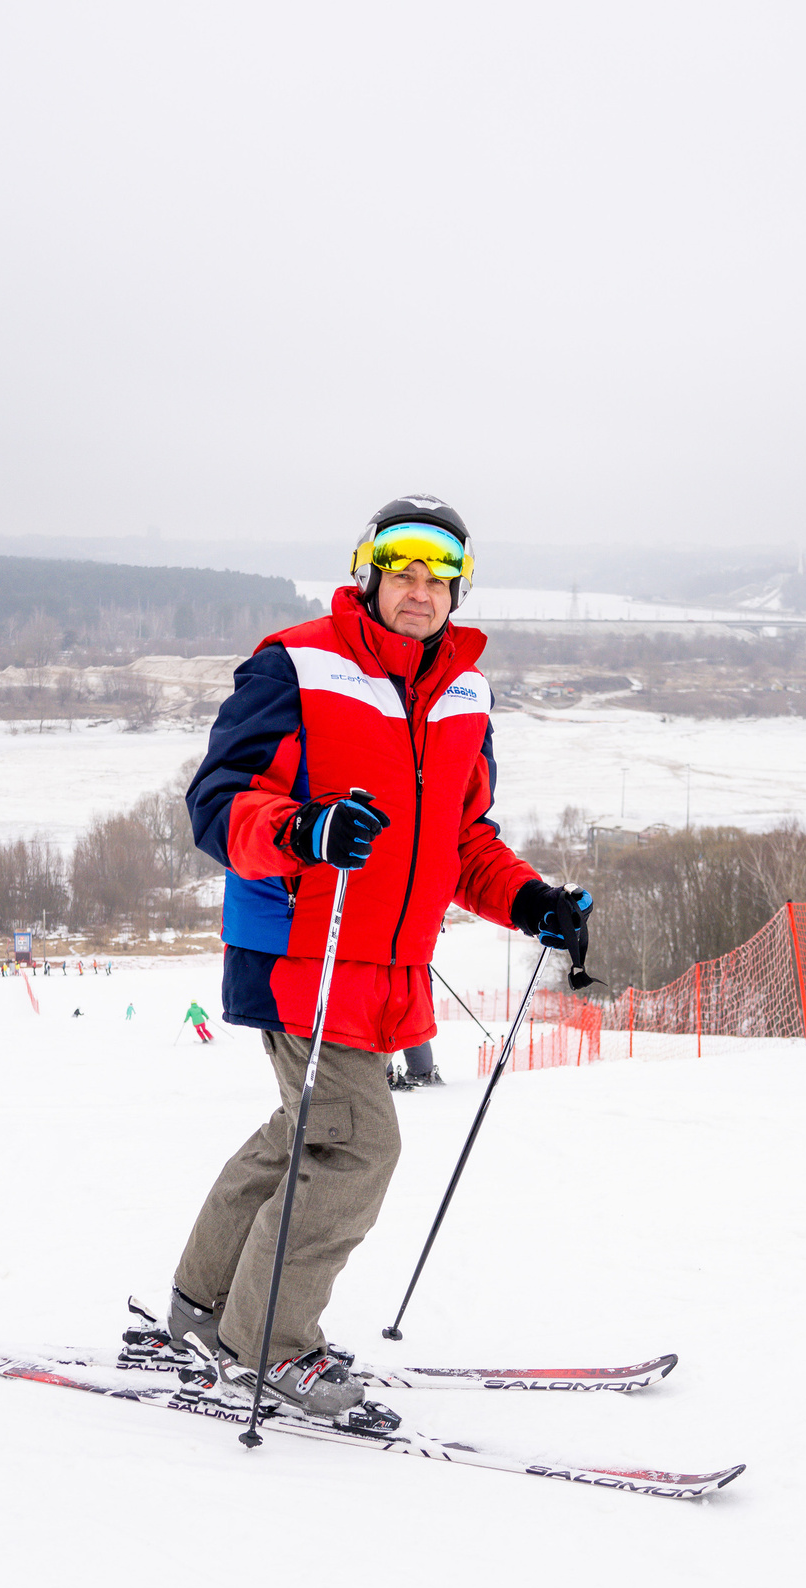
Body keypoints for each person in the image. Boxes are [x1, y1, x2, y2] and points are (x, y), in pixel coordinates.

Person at [161, 495, 592, 1422]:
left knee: (302, 1135)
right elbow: (217, 803)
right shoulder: (298, 663)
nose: (422, 589)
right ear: (369, 571)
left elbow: (462, 839)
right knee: (356, 1144)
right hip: (297, 950)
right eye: (404, 569)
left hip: (387, 964)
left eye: (442, 575)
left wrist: (532, 902)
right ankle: (268, 1345)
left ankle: (203, 1310)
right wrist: (304, 830)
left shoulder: (465, 696)